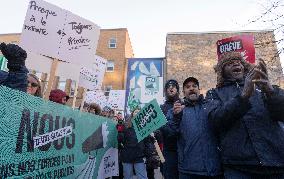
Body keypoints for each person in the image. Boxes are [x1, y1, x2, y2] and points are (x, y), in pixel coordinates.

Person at [207, 51, 284, 179]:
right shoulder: (214, 93)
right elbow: (215, 120)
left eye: (239, 62)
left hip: (275, 161)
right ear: (222, 71)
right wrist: (243, 97)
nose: (236, 64)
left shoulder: (263, 86)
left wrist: (271, 92)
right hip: (239, 167)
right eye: (230, 63)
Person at [166, 77, 223, 179]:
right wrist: (176, 117)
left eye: (194, 86)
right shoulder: (175, 111)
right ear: (183, 92)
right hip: (188, 171)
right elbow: (170, 134)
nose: (191, 88)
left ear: (199, 89)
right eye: (188, 87)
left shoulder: (210, 107)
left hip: (214, 169)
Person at [119, 108, 148, 179]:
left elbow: (147, 141)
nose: (137, 113)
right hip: (127, 155)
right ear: (132, 114)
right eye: (135, 112)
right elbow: (121, 140)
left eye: (139, 112)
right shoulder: (126, 125)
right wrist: (120, 133)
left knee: (142, 177)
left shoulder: (145, 126)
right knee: (127, 176)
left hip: (139, 156)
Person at [160, 79, 180, 179]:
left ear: (177, 89)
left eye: (173, 86)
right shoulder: (161, 108)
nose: (171, 88)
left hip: (184, 149)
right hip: (169, 150)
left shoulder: (184, 104)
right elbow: (159, 129)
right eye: (168, 87)